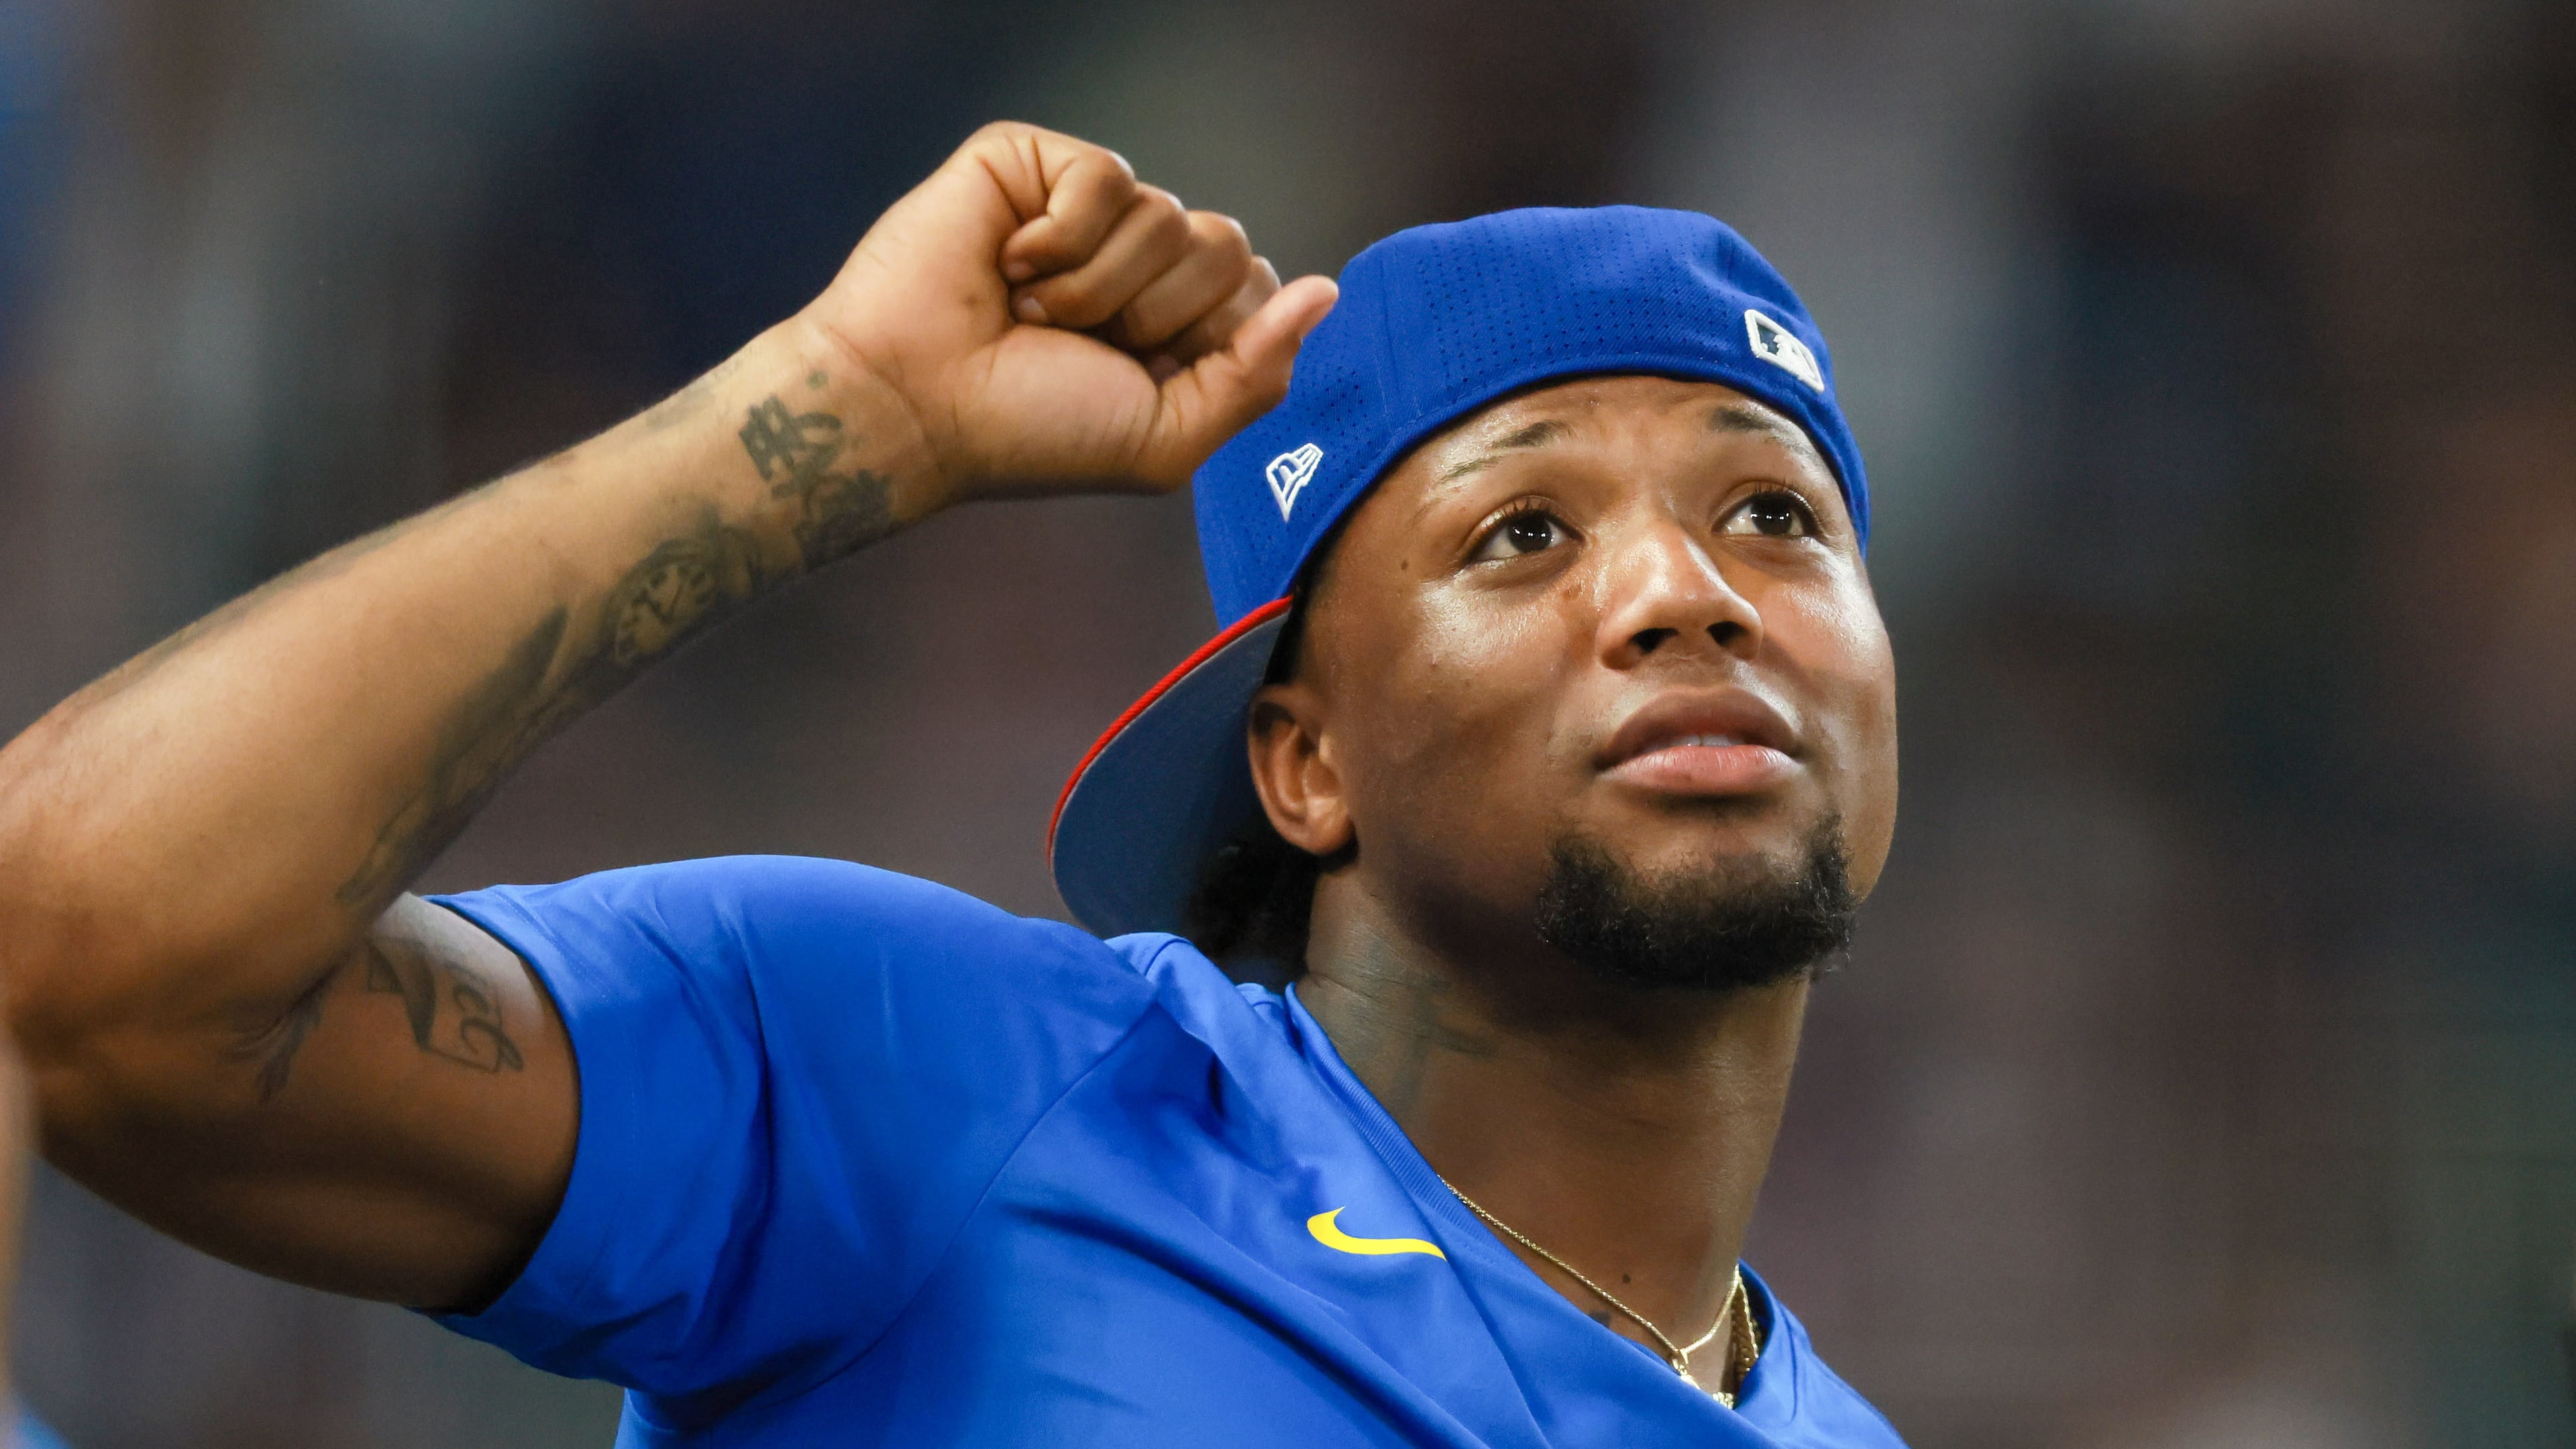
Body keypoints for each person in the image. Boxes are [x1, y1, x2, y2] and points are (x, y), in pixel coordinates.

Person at [0, 123, 1904, 1446]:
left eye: (1773, 514)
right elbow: (72, 945)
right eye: (1522, 535)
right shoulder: (943, 1084)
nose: (1686, 593)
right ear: (1305, 763)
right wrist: (826, 417)